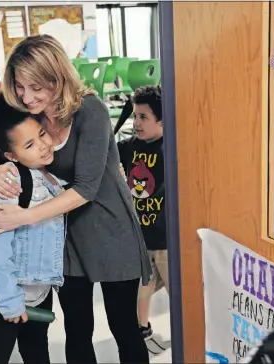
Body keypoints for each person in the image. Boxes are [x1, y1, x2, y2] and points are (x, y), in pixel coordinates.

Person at [0, 34, 151, 364]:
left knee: (123, 328)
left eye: (36, 87)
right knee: (77, 329)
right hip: (66, 236)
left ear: (57, 79)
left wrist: (23, 217)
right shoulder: (29, 115)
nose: (27, 96)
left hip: (110, 230)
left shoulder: (91, 111)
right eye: (19, 86)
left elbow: (87, 188)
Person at [0, 91, 66, 364]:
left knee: (37, 353)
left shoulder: (50, 174)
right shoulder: (8, 184)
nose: (43, 146)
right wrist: (10, 299)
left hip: (37, 290)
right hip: (1, 292)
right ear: (11, 155)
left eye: (42, 135)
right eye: (29, 145)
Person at [117, 85, 169, 343]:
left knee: (177, 290)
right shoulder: (128, 148)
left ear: (162, 119)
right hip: (140, 236)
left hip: (167, 240)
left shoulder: (171, 147)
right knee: (143, 286)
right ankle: (142, 328)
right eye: (135, 116)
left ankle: (190, 337)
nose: (136, 122)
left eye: (143, 117)